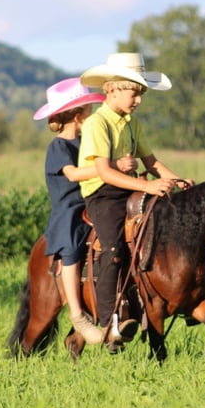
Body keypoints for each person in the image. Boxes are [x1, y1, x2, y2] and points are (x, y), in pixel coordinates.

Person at [77, 52, 194, 347]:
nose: (138, 99)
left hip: (129, 189)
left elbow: (152, 162)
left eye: (141, 92)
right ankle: (108, 321)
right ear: (111, 89)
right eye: (133, 91)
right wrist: (152, 188)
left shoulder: (131, 124)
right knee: (114, 249)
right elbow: (104, 173)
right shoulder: (97, 124)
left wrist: (176, 179)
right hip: (103, 195)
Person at [34, 77, 137, 345]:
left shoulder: (86, 141)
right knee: (71, 249)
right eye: (88, 107)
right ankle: (78, 315)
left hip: (94, 200)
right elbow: (74, 174)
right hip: (69, 207)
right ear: (78, 115)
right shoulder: (59, 146)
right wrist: (111, 166)